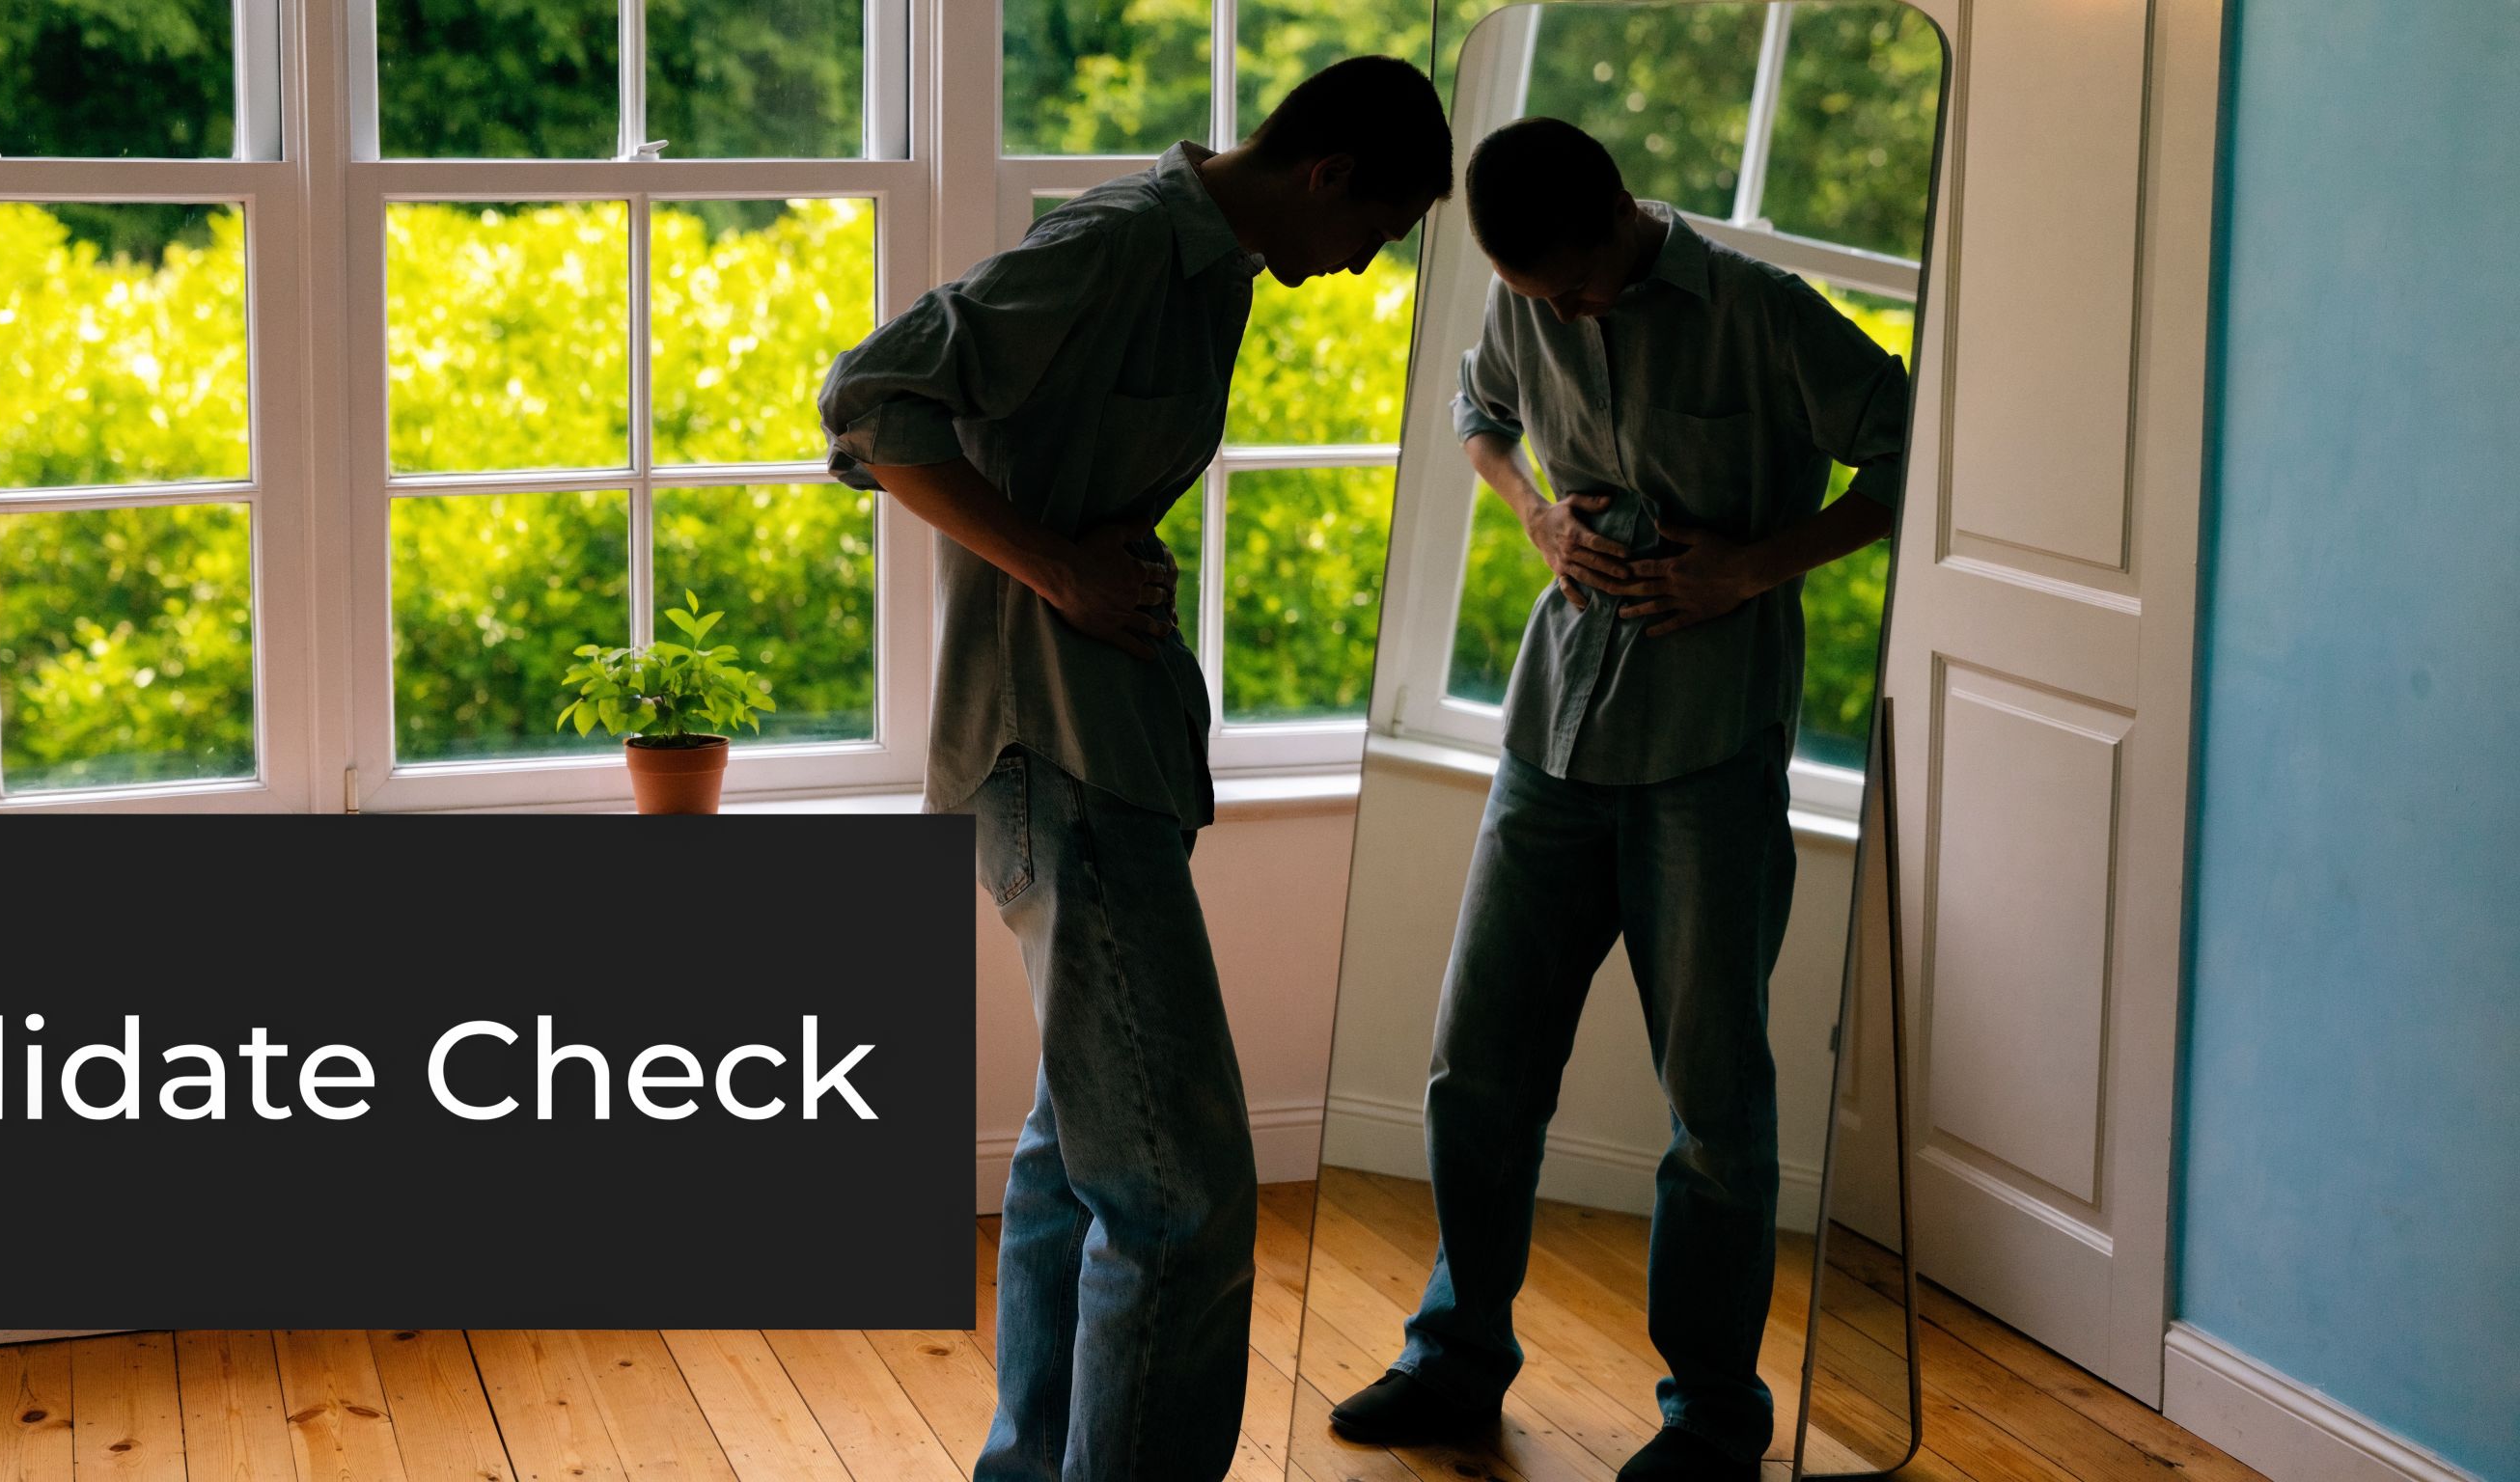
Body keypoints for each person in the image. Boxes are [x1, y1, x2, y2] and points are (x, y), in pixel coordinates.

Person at [817, 55, 1450, 1482]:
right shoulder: (1115, 246)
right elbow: (870, 398)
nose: (1362, 268)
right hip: (1056, 752)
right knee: (1182, 1192)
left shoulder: (1213, 266)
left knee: (1077, 1159)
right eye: (1381, 229)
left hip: (1111, 746)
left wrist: (1088, 570)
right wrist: (1054, 570)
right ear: (1328, 175)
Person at [1324, 118, 1912, 1481]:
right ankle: (1454, 1357)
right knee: (1477, 1073)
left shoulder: (1762, 315)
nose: (1559, 315)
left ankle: (1712, 1414)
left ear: (1621, 221)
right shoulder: (1526, 295)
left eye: (1574, 290)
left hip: (1710, 755)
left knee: (1714, 1107)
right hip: (1553, 739)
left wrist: (1754, 567)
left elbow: (1906, 452)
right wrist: (1532, 510)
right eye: (1535, 297)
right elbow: (1479, 414)